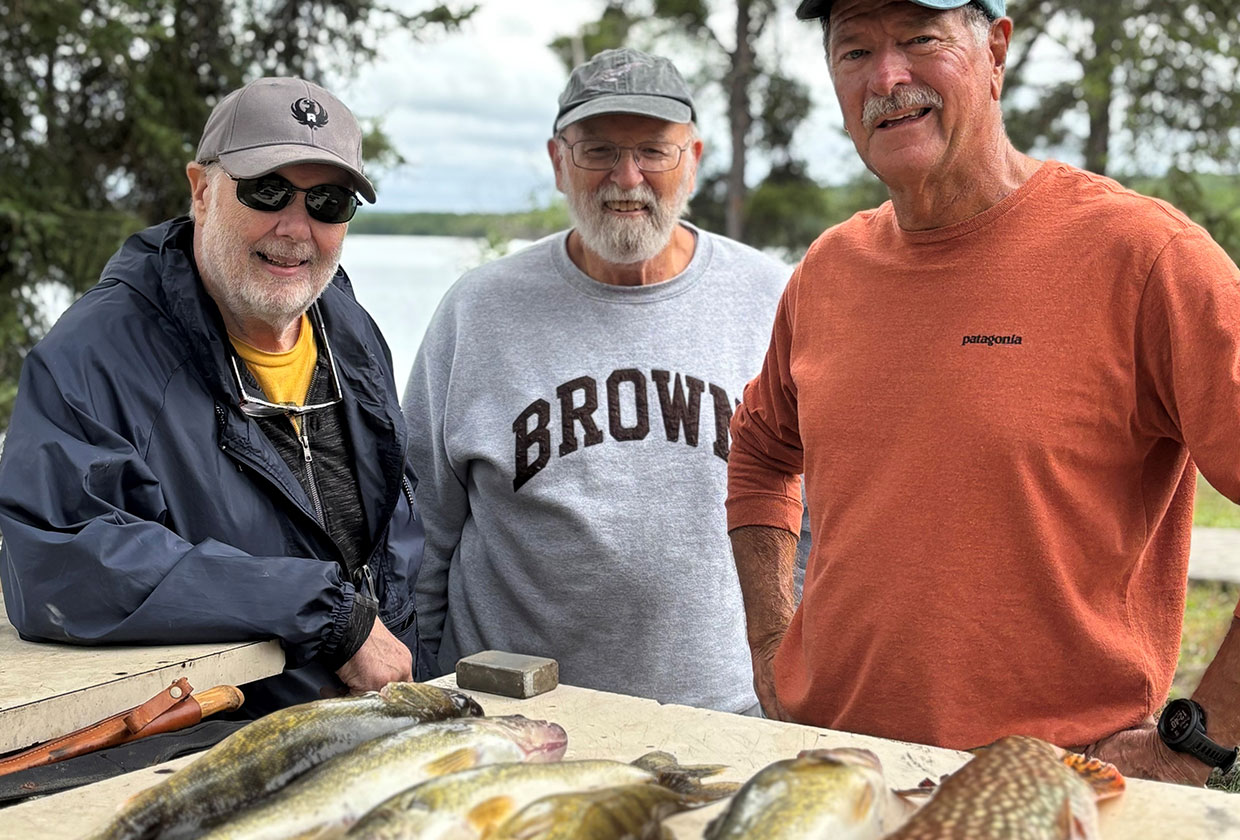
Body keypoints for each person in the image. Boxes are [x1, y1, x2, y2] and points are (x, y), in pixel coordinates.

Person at [726, 0, 1240, 786]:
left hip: (1053, 793)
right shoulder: (828, 271)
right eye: (854, 50)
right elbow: (760, 451)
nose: (887, 78)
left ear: (996, 49)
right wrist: (771, 645)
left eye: (919, 39)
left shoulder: (1148, 259)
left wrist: (1199, 744)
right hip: (834, 776)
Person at [0, 77, 427, 716]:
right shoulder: (93, 355)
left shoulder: (349, 327)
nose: (295, 227)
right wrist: (330, 618)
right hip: (203, 748)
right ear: (202, 190)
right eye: (267, 190)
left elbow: (391, 531)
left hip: (371, 726)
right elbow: (57, 562)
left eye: (328, 202)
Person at [403, 48, 793, 714]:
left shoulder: (775, 298)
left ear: (693, 158)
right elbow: (418, 538)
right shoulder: (476, 310)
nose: (627, 177)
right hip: (512, 722)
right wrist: (427, 692)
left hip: (734, 722)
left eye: (653, 150)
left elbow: (820, 520)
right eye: (599, 151)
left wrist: (794, 680)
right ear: (559, 161)